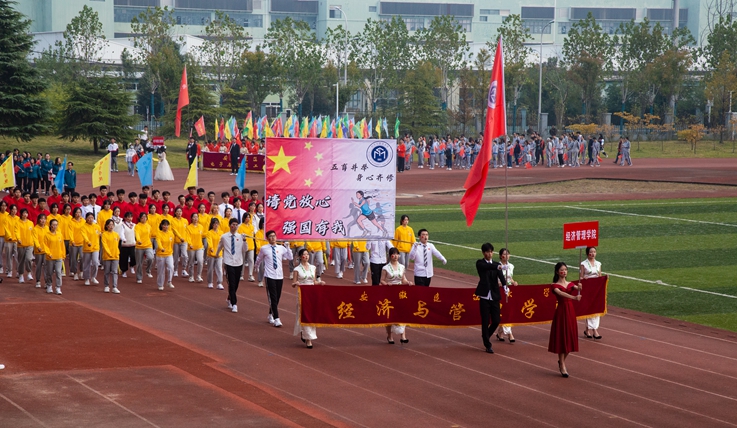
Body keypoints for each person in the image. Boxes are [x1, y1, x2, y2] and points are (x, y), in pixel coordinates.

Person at [549, 262, 582, 378]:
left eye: (566, 270)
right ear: (557, 272)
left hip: (570, 312)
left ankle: (562, 361)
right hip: (561, 311)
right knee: (562, 336)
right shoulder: (554, 285)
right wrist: (574, 297)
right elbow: (561, 293)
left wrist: (580, 287)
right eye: (562, 270)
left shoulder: (570, 284)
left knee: (570, 336)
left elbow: (577, 288)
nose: (564, 272)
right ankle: (562, 364)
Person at [254, 230, 293, 327]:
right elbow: (259, 258)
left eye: (274, 236)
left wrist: (288, 247)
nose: (273, 238)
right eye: (270, 236)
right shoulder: (264, 248)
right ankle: (277, 318)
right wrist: (256, 266)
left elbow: (290, 257)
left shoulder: (281, 248)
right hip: (269, 275)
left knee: (277, 297)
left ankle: (271, 314)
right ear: (267, 238)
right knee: (272, 297)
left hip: (279, 275)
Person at [475, 243, 507, 354]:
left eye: (491, 252)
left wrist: (505, 286)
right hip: (484, 296)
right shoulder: (480, 263)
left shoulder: (497, 264)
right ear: (483, 253)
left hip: (494, 295)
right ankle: (487, 344)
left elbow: (501, 277)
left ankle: (486, 335)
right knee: (485, 320)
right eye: (487, 252)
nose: (490, 254)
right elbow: (487, 267)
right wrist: (498, 267)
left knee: (496, 320)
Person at [292, 248, 325, 349]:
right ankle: (308, 339)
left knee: (311, 314)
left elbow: (314, 281)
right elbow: (293, 284)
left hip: (311, 294)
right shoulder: (297, 269)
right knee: (304, 314)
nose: (306, 256)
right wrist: (296, 283)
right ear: (300, 257)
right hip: (302, 294)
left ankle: (306, 334)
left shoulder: (313, 267)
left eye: (307, 254)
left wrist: (320, 283)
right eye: (304, 254)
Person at [380, 247, 413, 344]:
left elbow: (403, 279)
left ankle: (403, 336)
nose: (396, 256)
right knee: (390, 314)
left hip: (400, 292)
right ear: (390, 256)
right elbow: (381, 280)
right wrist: (386, 284)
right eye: (393, 254)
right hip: (389, 292)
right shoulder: (385, 268)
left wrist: (408, 282)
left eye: (397, 254)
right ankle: (390, 336)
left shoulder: (402, 267)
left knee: (402, 312)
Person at [217, 219, 246, 313]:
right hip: (228, 262)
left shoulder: (240, 236)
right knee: (231, 283)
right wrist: (217, 254)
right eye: (233, 224)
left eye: (237, 224)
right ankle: (234, 304)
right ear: (230, 225)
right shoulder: (224, 237)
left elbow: (245, 249)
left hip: (238, 262)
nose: (235, 226)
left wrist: (244, 240)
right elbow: (220, 246)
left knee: (236, 283)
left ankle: (230, 297)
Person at [496, 248, 518, 342]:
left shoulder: (511, 266)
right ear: (501, 256)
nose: (507, 256)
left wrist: (513, 282)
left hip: (509, 291)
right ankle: (510, 334)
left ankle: (500, 332)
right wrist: (499, 283)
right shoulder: (497, 266)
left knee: (508, 311)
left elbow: (510, 278)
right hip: (500, 290)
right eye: (504, 254)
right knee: (503, 310)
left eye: (508, 254)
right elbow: (495, 279)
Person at [581, 246, 603, 339]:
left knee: (596, 309)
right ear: (587, 253)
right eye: (591, 252)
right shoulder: (583, 264)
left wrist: (604, 278)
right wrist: (584, 278)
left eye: (594, 252)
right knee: (589, 309)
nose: (593, 254)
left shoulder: (598, 264)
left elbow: (600, 276)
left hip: (596, 290)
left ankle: (590, 330)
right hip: (588, 289)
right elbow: (580, 277)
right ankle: (594, 330)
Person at [44, 218, 65, 295]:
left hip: (58, 256)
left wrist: (63, 255)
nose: (55, 226)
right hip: (50, 257)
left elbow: (62, 245)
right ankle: (49, 285)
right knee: (49, 272)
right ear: (50, 225)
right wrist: (49, 253)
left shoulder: (60, 234)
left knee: (58, 272)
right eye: (53, 225)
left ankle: (58, 287)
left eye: (56, 225)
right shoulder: (47, 235)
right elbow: (45, 246)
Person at [153, 219, 175, 291]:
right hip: (160, 254)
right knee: (161, 270)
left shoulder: (171, 233)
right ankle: (160, 284)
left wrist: (171, 250)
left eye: (167, 225)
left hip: (169, 253)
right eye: (164, 225)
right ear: (162, 226)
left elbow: (172, 243)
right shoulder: (159, 233)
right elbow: (158, 242)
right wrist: (161, 248)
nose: (166, 226)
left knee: (171, 267)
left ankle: (169, 281)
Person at [101, 219, 121, 293]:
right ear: (107, 226)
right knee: (107, 271)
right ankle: (106, 286)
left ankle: (114, 287)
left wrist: (117, 253)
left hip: (115, 256)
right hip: (107, 256)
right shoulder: (104, 234)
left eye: (112, 224)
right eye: (109, 224)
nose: (111, 226)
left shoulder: (116, 235)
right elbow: (105, 245)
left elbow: (117, 244)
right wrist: (109, 253)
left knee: (115, 271)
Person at [81, 212, 101, 286]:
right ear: (86, 219)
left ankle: (93, 277)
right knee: (87, 263)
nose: (90, 219)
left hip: (95, 247)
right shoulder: (83, 227)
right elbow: (84, 236)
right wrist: (88, 242)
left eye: (92, 217)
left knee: (95, 262)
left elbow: (99, 234)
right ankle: (87, 278)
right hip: (87, 248)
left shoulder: (97, 226)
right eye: (89, 218)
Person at [134, 213, 155, 284]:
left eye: (145, 217)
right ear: (140, 218)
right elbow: (137, 234)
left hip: (148, 245)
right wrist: (138, 240)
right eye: (142, 217)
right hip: (139, 246)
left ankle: (148, 271)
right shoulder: (137, 226)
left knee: (151, 257)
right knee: (139, 263)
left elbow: (150, 235)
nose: (144, 218)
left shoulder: (148, 226)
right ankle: (139, 277)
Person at [15, 208, 35, 284]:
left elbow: (33, 233)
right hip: (21, 245)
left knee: (29, 259)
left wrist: (33, 241)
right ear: (21, 214)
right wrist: (18, 239)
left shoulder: (30, 223)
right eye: (23, 213)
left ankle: (29, 272)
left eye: (26, 213)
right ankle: (21, 275)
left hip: (30, 244)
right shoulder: (18, 223)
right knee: (21, 260)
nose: (25, 215)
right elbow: (16, 231)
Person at [185, 213, 205, 283]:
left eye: (197, 217)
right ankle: (191, 276)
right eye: (194, 217)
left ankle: (199, 275)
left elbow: (202, 236)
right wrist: (190, 244)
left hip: (199, 246)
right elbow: (187, 237)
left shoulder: (201, 227)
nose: (196, 218)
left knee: (200, 261)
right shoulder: (188, 227)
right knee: (191, 262)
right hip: (191, 247)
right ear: (191, 218)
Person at [205, 218, 224, 290]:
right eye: (214, 224)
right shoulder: (209, 233)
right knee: (210, 269)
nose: (216, 225)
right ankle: (210, 282)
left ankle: (219, 283)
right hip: (211, 254)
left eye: (217, 224)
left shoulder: (221, 233)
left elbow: (222, 242)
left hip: (219, 254)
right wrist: (211, 248)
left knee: (219, 269)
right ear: (212, 224)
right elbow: (209, 241)